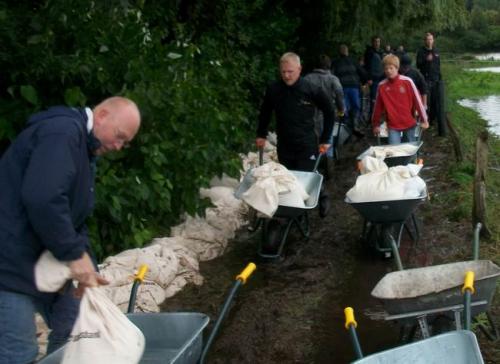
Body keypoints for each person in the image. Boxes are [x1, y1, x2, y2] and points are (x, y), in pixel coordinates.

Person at [0, 96, 141, 363]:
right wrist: (74, 254)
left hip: (43, 258)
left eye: (125, 142)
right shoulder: (61, 133)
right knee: (17, 353)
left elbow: (74, 215)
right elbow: (44, 198)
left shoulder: (84, 147)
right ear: (102, 115)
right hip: (8, 263)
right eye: (119, 136)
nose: (118, 146)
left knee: (77, 327)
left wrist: (86, 263)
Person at [256, 52, 334, 217]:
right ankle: (290, 215)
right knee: (287, 181)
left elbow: (329, 111)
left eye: (290, 71)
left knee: (305, 177)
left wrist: (326, 138)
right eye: (283, 71)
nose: (286, 75)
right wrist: (261, 134)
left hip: (306, 143)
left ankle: (322, 193)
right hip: (284, 143)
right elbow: (265, 112)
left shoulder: (310, 88)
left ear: (299, 69)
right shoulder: (274, 89)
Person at [372, 55, 429, 144]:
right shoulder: (382, 86)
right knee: (394, 151)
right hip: (392, 125)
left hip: (409, 122)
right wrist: (376, 124)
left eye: (391, 68)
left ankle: (412, 158)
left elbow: (418, 101)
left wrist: (424, 119)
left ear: (397, 68)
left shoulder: (407, 82)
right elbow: (377, 107)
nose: (388, 71)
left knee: (409, 150)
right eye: (386, 69)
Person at [304, 54, 345, 157]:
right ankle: (328, 162)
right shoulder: (333, 79)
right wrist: (341, 110)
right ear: (329, 65)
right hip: (328, 114)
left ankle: (314, 162)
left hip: (310, 114)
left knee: (313, 138)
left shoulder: (307, 79)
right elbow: (339, 95)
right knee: (327, 138)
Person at [332, 44, 368, 136]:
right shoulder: (338, 62)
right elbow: (362, 72)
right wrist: (364, 82)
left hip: (349, 88)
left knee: (353, 107)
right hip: (345, 88)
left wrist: (364, 82)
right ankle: (349, 128)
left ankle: (353, 127)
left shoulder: (348, 61)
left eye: (344, 49)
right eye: (342, 49)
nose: (344, 51)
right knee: (347, 108)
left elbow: (361, 72)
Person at [416, 32, 442, 125]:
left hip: (435, 79)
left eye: (431, 39)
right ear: (425, 41)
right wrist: (426, 60)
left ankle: (432, 120)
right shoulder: (421, 51)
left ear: (433, 40)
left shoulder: (436, 51)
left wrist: (440, 77)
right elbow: (418, 65)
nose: (429, 41)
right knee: (427, 101)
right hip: (425, 79)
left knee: (435, 101)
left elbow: (438, 65)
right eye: (428, 39)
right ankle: (425, 120)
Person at [363, 35, 385, 118]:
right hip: (373, 79)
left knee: (381, 98)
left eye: (378, 41)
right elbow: (367, 66)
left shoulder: (381, 52)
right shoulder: (369, 52)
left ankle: (380, 116)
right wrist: (369, 78)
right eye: (375, 41)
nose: (377, 43)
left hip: (381, 78)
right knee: (373, 99)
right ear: (372, 42)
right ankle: (372, 117)